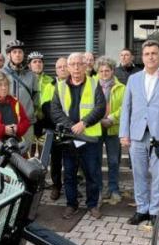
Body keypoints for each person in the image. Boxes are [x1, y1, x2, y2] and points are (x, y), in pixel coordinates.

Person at [120, 40, 159, 226]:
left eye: (154, 53)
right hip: (137, 134)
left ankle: (156, 211)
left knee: (158, 173)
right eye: (147, 54)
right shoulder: (133, 79)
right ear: (142, 57)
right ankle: (142, 209)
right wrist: (124, 133)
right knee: (139, 173)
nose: (150, 57)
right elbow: (126, 108)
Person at [51, 52, 106, 219]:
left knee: (92, 173)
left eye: (79, 64)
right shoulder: (59, 87)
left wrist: (84, 123)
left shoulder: (95, 83)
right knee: (69, 173)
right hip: (70, 138)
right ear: (67, 67)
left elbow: (100, 107)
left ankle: (92, 205)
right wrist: (71, 127)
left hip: (89, 138)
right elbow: (55, 111)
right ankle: (71, 204)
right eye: (72, 64)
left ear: (85, 66)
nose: (76, 67)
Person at [96, 57, 125, 205]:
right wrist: (98, 120)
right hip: (95, 128)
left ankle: (113, 189)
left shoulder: (121, 88)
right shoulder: (92, 85)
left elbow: (124, 108)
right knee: (96, 161)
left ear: (113, 71)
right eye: (101, 70)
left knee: (113, 161)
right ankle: (99, 190)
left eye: (107, 70)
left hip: (113, 128)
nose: (104, 73)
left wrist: (111, 119)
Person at [1, 40, 38, 149]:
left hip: (27, 122)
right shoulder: (0, 74)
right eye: (14, 52)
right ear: (9, 55)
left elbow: (36, 98)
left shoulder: (31, 75)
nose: (17, 54)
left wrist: (31, 113)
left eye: (20, 52)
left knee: (25, 152)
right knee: (8, 153)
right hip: (7, 123)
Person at [46, 57, 68, 200]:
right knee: (55, 160)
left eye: (64, 66)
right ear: (56, 70)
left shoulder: (75, 84)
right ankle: (56, 186)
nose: (62, 69)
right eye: (59, 67)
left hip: (71, 130)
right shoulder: (50, 86)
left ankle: (69, 185)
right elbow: (46, 107)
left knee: (70, 161)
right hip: (54, 129)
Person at [28, 51, 55, 157]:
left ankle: (41, 172)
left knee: (43, 153)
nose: (38, 64)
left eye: (40, 61)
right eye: (34, 62)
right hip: (30, 119)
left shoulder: (51, 80)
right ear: (29, 65)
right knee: (30, 151)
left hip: (45, 120)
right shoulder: (25, 79)